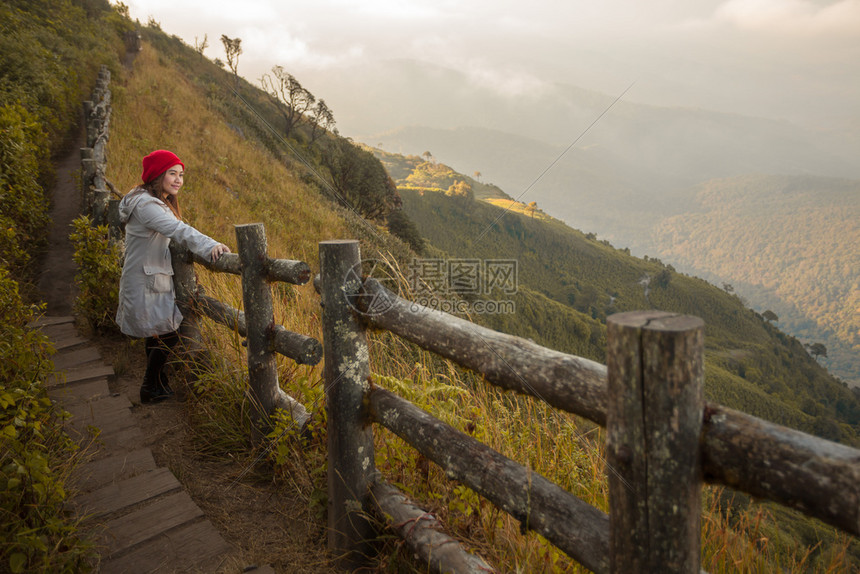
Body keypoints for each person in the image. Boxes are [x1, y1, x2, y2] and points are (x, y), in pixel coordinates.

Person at [115, 149, 230, 403]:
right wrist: (211, 245)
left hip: (148, 277)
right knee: (169, 331)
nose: (178, 180)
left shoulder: (148, 200)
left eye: (181, 174)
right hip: (146, 279)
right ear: (157, 175)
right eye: (172, 173)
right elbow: (178, 229)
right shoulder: (147, 206)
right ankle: (149, 385)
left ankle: (157, 382)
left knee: (158, 330)